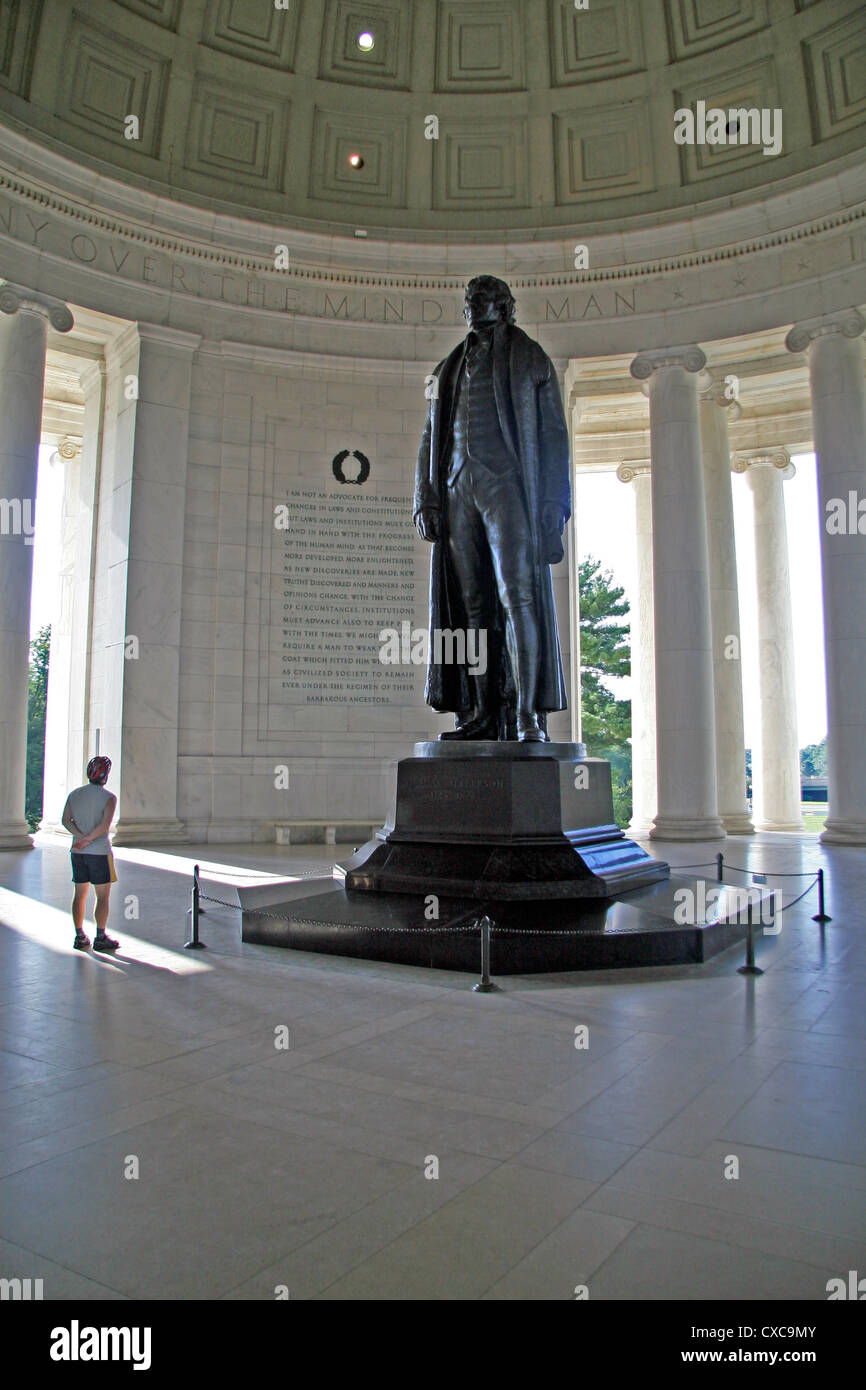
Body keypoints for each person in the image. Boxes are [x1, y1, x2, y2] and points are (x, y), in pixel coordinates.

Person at [413, 274, 571, 741]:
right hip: (458, 484)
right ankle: (479, 714)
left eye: (484, 299)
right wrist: (426, 494)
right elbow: (430, 435)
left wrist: (552, 503)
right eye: (470, 300)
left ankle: (526, 717)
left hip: (508, 486)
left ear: (504, 306)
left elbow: (553, 436)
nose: (474, 306)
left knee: (517, 597)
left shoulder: (529, 357)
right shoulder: (448, 366)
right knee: (472, 608)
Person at [60, 756, 119, 951]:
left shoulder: (75, 794)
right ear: (105, 776)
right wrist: (89, 839)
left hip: (78, 851)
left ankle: (79, 935)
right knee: (102, 897)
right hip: (99, 853)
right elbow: (104, 826)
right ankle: (100, 937)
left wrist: (80, 838)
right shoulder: (109, 797)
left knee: (79, 895)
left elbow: (66, 820)